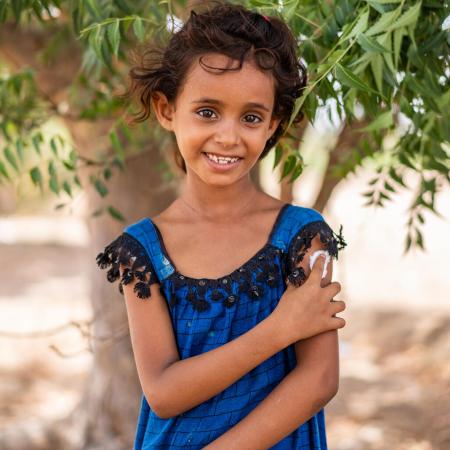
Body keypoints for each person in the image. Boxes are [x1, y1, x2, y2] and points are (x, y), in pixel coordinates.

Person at [96, 3, 347, 449]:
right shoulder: (143, 250)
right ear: (167, 109)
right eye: (208, 111)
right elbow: (164, 392)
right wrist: (280, 328)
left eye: (251, 117)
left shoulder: (303, 236)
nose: (228, 136)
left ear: (272, 125)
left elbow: (320, 379)